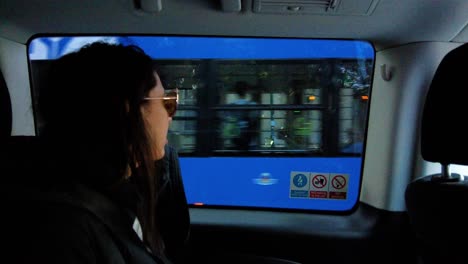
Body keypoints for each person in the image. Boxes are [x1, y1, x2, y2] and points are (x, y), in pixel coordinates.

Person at [13, 42, 188, 263]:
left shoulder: (126, 193)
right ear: (127, 110)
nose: (171, 115)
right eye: (167, 102)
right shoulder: (64, 229)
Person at [228, 81, 259, 150]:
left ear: (236, 92)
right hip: (251, 142)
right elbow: (255, 119)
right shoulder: (253, 105)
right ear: (247, 91)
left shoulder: (230, 106)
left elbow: (229, 121)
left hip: (236, 142)